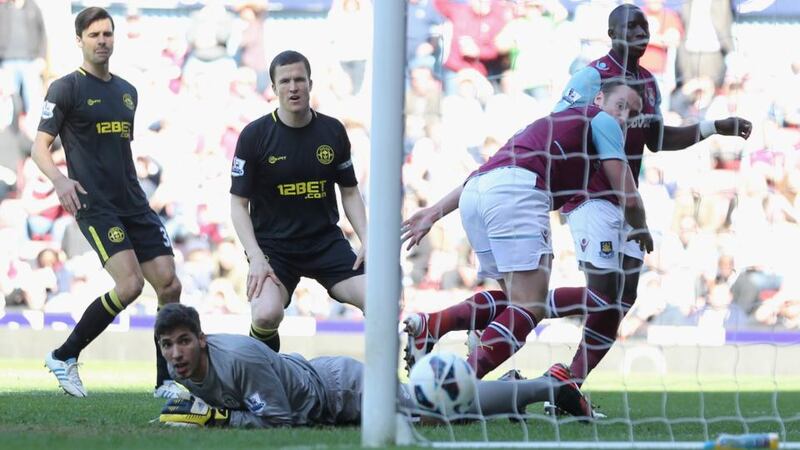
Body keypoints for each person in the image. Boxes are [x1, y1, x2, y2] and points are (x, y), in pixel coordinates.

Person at [542, 3, 751, 389]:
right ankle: (522, 308)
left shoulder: (649, 83)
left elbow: (657, 139)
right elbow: (559, 127)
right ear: (612, 32)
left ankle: (569, 383)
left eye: (644, 25)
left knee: (624, 297)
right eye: (631, 25)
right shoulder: (590, 77)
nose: (640, 31)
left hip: (627, 199)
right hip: (590, 196)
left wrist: (713, 126)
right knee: (602, 297)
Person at [401, 80, 652, 382]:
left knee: (515, 305)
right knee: (529, 307)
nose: (623, 117)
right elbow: (628, 195)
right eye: (620, 106)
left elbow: (487, 171)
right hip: (517, 192)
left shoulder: (552, 124)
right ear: (598, 99)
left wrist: (434, 211)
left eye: (632, 113)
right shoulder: (601, 121)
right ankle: (458, 383)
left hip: (477, 194)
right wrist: (641, 228)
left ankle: (435, 326)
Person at [33, 7, 183, 399]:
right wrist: (60, 179)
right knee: (131, 285)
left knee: (169, 284)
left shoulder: (128, 92)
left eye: (108, 34)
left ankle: (165, 382)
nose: (102, 41)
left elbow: (119, 152)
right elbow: (39, 148)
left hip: (134, 202)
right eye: (95, 34)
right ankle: (64, 356)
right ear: (79, 40)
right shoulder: (66, 88)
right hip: (95, 204)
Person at [154, 303, 593, 428]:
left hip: (341, 390)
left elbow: (280, 420)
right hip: (322, 388)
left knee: (433, 410)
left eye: (185, 342)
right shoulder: (183, 370)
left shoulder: (240, 359)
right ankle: (514, 388)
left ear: (203, 339)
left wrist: (220, 421)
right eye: (168, 345)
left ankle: (548, 386)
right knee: (440, 414)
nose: (176, 354)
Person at [229, 50, 367, 352]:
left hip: (324, 243)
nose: (293, 87)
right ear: (274, 88)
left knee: (379, 299)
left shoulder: (332, 131)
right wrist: (255, 256)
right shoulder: (255, 136)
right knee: (266, 314)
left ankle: (385, 387)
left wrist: (366, 238)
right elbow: (238, 205)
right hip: (274, 248)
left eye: (299, 80)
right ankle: (264, 381)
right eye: (286, 81)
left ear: (310, 84)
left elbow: (350, 192)